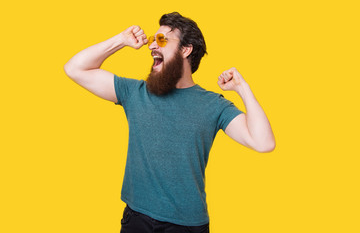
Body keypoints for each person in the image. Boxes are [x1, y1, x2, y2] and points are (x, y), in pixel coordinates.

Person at [64, 12, 275, 233]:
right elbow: (75, 68)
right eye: (153, 39)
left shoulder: (214, 105)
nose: (152, 46)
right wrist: (121, 40)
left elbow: (263, 143)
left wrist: (242, 88)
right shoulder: (135, 93)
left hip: (187, 226)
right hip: (136, 219)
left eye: (162, 40)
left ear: (186, 50)